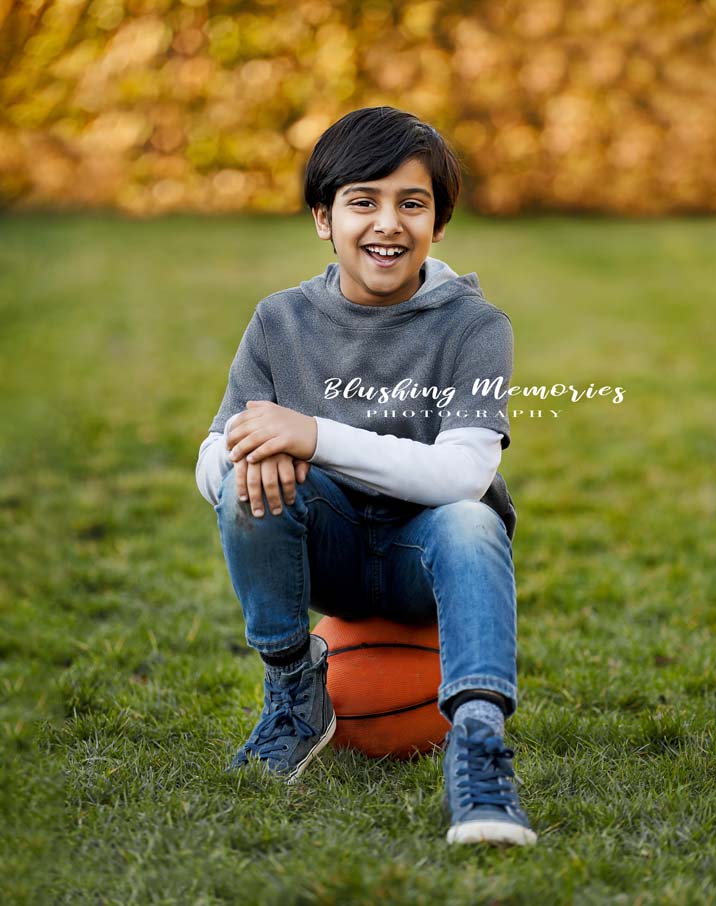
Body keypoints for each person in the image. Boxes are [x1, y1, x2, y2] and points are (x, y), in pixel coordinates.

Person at [195, 106, 537, 847]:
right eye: (362, 201)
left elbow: (463, 475)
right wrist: (258, 449)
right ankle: (293, 688)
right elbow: (212, 456)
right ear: (323, 217)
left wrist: (314, 434)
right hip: (330, 554)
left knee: (474, 517)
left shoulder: (476, 327)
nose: (388, 223)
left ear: (438, 222)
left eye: (411, 203)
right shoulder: (279, 321)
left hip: (429, 560)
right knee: (246, 466)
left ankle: (478, 747)